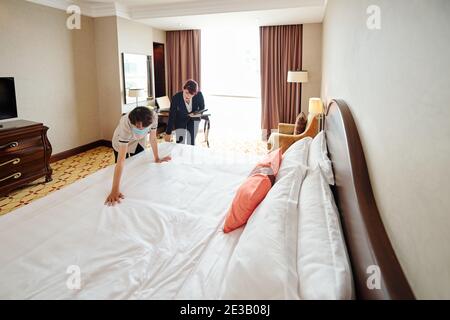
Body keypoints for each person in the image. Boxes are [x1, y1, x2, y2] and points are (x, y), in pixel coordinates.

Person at [106, 107, 171, 206]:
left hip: (138, 141)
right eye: (137, 127)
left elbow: (153, 139)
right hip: (121, 139)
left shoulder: (153, 117)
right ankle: (117, 184)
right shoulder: (125, 123)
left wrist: (157, 158)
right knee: (123, 163)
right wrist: (115, 190)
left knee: (138, 163)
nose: (140, 129)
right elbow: (121, 162)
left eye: (143, 128)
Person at [164, 79, 205, 145]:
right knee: (180, 141)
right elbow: (172, 115)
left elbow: (202, 108)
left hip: (194, 119)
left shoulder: (199, 95)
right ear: (183, 89)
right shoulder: (176, 98)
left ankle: (191, 154)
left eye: (191, 94)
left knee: (191, 141)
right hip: (180, 118)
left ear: (195, 93)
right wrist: (168, 132)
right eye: (186, 92)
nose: (188, 96)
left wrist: (196, 114)